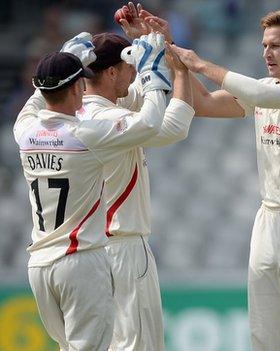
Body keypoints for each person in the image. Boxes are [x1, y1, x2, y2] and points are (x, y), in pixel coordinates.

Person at [154, 4, 280, 350]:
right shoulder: (265, 86)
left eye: (275, 45)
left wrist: (200, 63)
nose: (266, 53)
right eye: (263, 46)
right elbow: (205, 103)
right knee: (265, 336)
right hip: (269, 219)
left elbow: (260, 95)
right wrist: (172, 52)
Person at [13, 32, 171, 350]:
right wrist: (152, 69)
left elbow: (33, 104)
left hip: (40, 265)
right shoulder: (86, 134)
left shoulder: (25, 131)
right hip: (80, 262)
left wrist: (62, 61)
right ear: (76, 88)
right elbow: (151, 123)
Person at [79, 11, 194, 350]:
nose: (134, 74)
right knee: (138, 345)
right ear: (112, 71)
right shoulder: (112, 118)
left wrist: (146, 43)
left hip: (87, 251)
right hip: (123, 248)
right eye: (128, 67)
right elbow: (175, 125)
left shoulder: (77, 112)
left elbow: (141, 99)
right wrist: (177, 66)